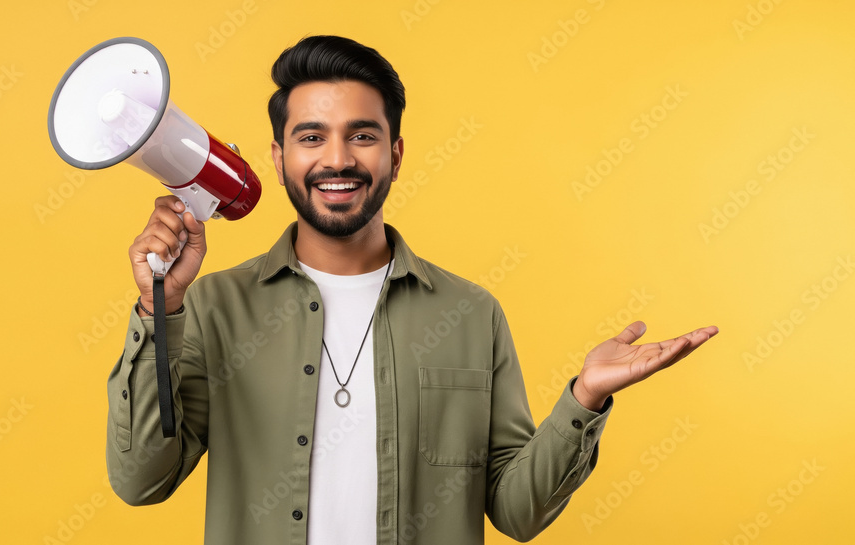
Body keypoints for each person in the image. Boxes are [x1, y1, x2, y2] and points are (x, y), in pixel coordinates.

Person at [105, 35, 718, 544]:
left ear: (396, 154)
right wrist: (161, 308)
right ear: (279, 155)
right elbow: (141, 481)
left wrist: (583, 400)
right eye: (312, 137)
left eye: (363, 136)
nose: (337, 159)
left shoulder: (470, 314)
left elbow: (517, 512)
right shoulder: (212, 309)